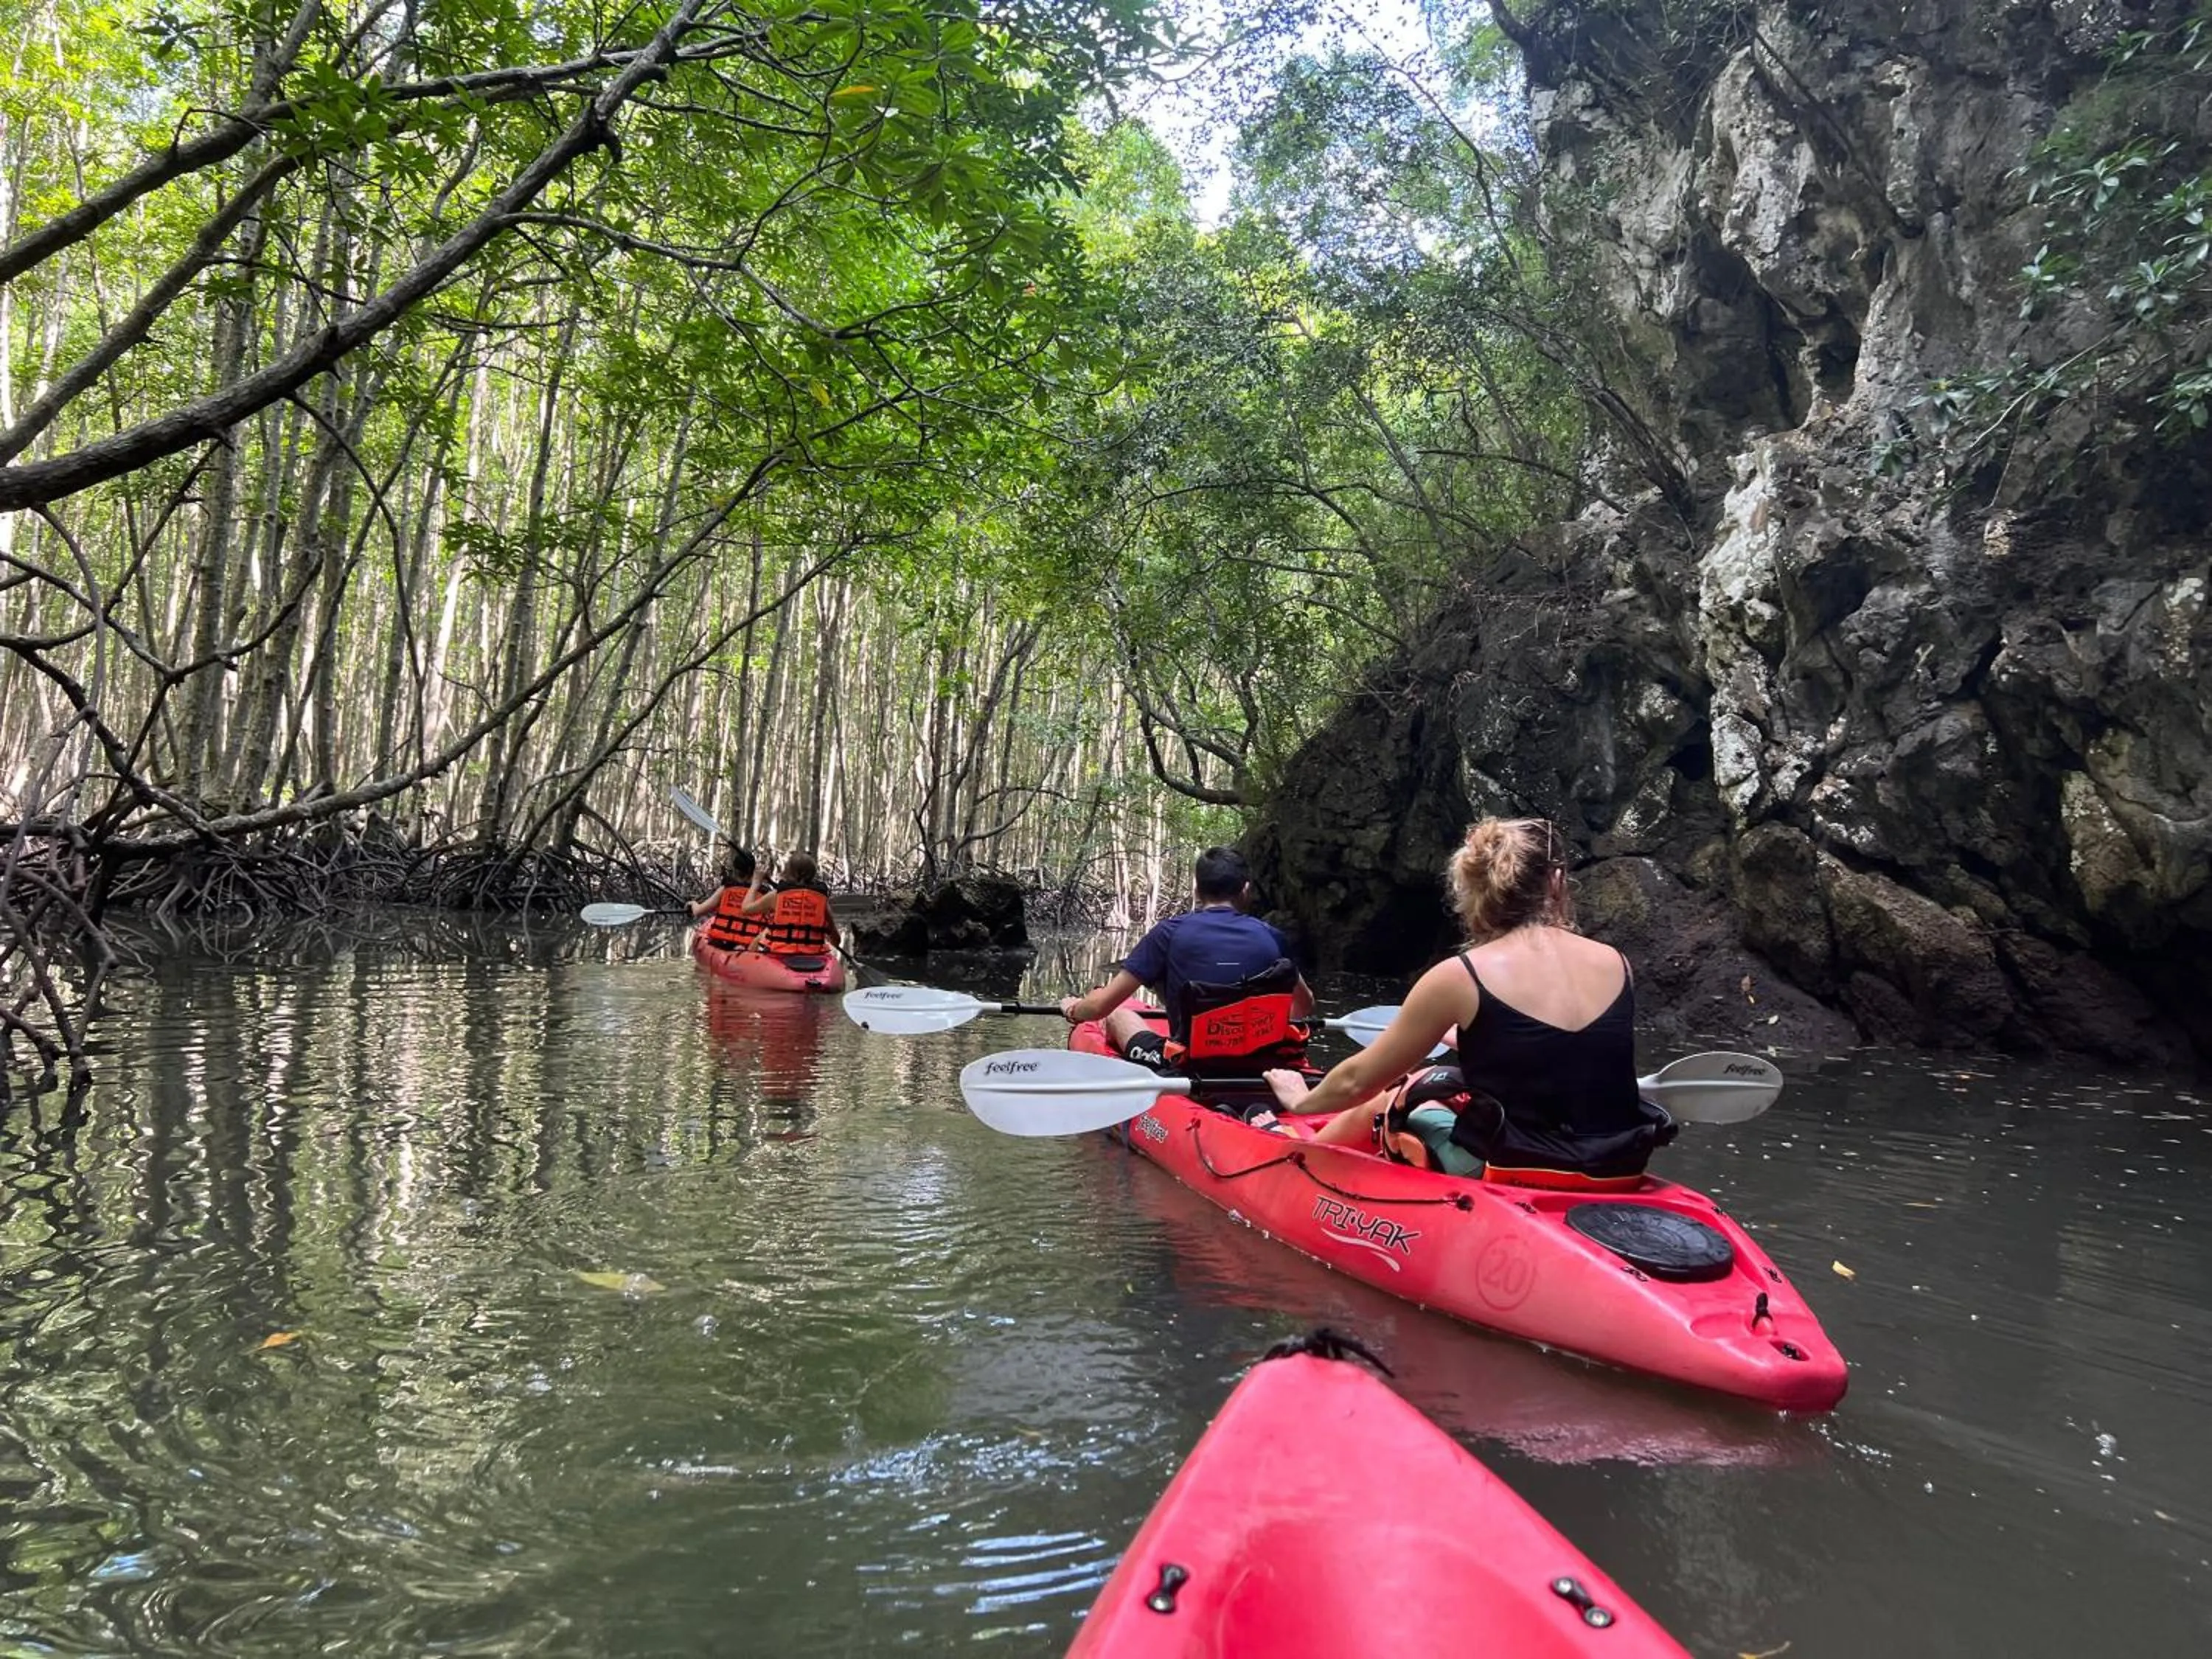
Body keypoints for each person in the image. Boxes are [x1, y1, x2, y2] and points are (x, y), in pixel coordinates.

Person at [1264, 818, 1670, 1182]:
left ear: (1474, 892)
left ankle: (1297, 1161)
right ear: (1557, 881)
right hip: (1618, 1167)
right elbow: (1570, 1051)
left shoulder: (1459, 977)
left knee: (1404, 1093)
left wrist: (1301, 1100)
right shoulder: (1617, 964)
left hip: (1516, 1166)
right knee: (1442, 1085)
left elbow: (1355, 1082)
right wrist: (1478, 1039)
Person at [1060, 846, 1316, 1075]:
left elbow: (1099, 1008)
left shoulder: (1169, 933)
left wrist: (1073, 1009)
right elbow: (1303, 1006)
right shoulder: (1273, 936)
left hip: (1191, 1064)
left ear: (1196, 889)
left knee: (1118, 1015)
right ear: (1245, 889)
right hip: (1263, 1063)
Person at [738, 850, 842, 959]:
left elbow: (745, 909)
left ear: (788, 872)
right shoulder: (821, 900)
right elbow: (836, 941)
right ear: (813, 874)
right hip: (813, 955)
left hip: (781, 953)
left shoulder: (776, 896)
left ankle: (746, 960)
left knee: (765, 933)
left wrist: (755, 884)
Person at [691, 846, 767, 951]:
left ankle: (736, 946)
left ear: (735, 870)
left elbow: (698, 911)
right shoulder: (763, 894)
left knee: (722, 942)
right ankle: (741, 947)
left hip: (723, 942)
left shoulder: (726, 889)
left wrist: (693, 904)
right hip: (750, 944)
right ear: (754, 872)